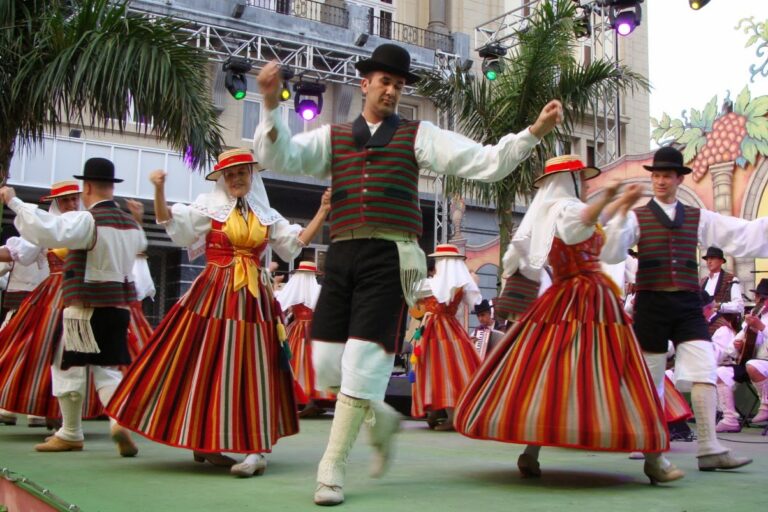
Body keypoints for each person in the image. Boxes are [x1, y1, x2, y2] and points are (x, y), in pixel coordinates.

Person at [255, 42, 563, 506]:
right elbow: (281, 158)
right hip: (340, 255)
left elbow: (484, 162)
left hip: (390, 259)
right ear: (365, 83)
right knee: (322, 364)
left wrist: (533, 133)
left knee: (362, 363)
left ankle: (331, 467)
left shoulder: (419, 135)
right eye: (385, 82)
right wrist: (267, 103)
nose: (393, 91)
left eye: (399, 85)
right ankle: (381, 414)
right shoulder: (332, 136)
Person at [454, 155, 682, 485]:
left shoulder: (557, 212)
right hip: (585, 300)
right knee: (616, 372)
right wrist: (614, 194)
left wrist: (619, 202)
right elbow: (585, 219)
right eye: (582, 177)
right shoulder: (563, 210)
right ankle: (653, 459)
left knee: (548, 373)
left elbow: (597, 229)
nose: (586, 183)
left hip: (570, 302)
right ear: (569, 180)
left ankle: (533, 453)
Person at [106, 148, 330, 478]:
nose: (237, 179)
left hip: (253, 298)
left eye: (242, 173)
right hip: (214, 293)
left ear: (252, 176)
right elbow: (174, 225)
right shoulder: (209, 207)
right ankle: (206, 442)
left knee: (254, 367)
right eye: (231, 174)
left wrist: (323, 211)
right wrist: (158, 190)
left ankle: (254, 447)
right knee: (203, 362)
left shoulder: (266, 214)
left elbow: (291, 244)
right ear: (223, 179)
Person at [602, 145, 768, 471]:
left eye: (667, 175)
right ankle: (649, 444)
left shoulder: (697, 216)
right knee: (650, 377)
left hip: (687, 303)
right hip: (650, 304)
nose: (661, 181)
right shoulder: (636, 218)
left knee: (704, 368)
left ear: (679, 179)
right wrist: (618, 214)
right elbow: (611, 251)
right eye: (657, 175)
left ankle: (709, 447)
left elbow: (741, 233)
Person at [0, 158, 145, 457]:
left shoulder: (87, 220)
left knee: (66, 365)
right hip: (118, 308)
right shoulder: (131, 225)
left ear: (87, 187)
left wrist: (13, 201)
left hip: (84, 307)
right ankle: (118, 421)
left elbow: (47, 229)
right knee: (107, 370)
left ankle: (70, 432)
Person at [0, 182, 78, 428]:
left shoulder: (84, 222)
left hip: (77, 295)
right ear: (56, 203)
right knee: (35, 347)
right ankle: (30, 407)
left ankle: (53, 411)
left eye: (74, 199)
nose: (71, 205)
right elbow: (20, 253)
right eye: (65, 201)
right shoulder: (47, 226)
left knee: (73, 354)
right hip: (49, 297)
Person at [410, 243, 481, 431]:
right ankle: (437, 412)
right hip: (451, 328)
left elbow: (412, 294)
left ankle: (448, 415)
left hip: (434, 329)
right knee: (450, 367)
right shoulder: (461, 285)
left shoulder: (430, 284)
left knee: (438, 368)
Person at [276, 260, 335, 418]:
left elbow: (280, 305)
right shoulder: (317, 291)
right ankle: (311, 401)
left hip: (296, 329)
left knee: (297, 363)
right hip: (314, 331)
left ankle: (305, 400)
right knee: (312, 363)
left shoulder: (293, 290)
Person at [715, 279, 768, 432]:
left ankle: (766, 404)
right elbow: (732, 345)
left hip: (761, 364)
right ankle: (729, 418)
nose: (759, 301)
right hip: (753, 364)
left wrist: (762, 327)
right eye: (758, 297)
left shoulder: (760, 320)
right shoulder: (754, 315)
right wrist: (738, 347)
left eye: (763, 298)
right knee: (721, 372)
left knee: (753, 365)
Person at [700, 246, 744, 326]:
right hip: (703, 325)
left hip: (723, 326)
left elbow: (739, 306)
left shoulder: (731, 279)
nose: (709, 261)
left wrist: (720, 306)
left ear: (721, 261)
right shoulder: (702, 282)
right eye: (707, 259)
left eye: (712, 258)